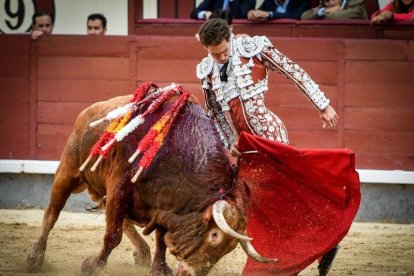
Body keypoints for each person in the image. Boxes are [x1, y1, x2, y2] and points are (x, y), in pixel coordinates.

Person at [196, 18, 360, 276]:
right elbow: (215, 113)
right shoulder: (207, 70)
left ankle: (319, 243)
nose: (221, 57)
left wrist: (322, 104)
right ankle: (285, 256)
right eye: (215, 54)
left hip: (270, 135)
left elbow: (293, 71)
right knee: (263, 206)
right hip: (246, 146)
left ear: (231, 36)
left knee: (285, 197)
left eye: (224, 51)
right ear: (205, 48)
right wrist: (230, 143)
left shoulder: (253, 48)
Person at [301, 0, 368, 20]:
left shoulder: (356, 2)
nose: (331, 3)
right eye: (328, 1)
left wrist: (320, 16)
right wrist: (326, 10)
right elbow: (304, 16)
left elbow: (340, 17)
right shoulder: (325, 6)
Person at [190, 0, 256, 20]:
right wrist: (205, 14)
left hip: (238, 33)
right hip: (215, 32)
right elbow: (195, 12)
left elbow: (243, 14)